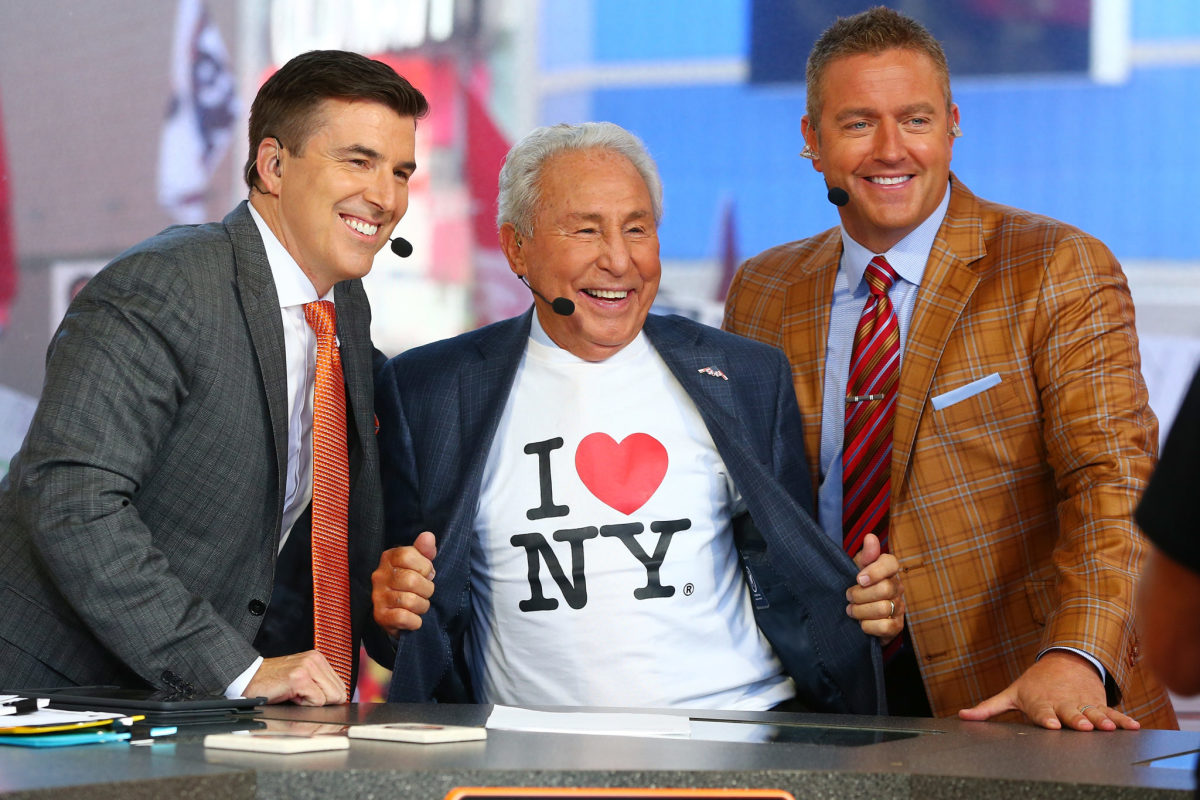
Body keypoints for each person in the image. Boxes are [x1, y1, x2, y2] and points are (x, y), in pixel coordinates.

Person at [723, 7, 1176, 729]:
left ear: (953, 125)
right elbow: (755, 511)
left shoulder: (1054, 265)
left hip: (1031, 699)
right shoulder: (763, 289)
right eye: (858, 123)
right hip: (826, 705)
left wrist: (1077, 653)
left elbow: (1115, 482)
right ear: (812, 139)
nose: (890, 149)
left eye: (916, 119)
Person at [371, 122, 900, 714]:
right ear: (517, 247)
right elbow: (399, 618)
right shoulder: (429, 390)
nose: (619, 260)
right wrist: (391, 611)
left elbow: (796, 574)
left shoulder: (746, 374)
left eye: (637, 229)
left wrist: (860, 598)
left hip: (743, 731)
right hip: (527, 750)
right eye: (586, 230)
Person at [0, 50, 428, 706]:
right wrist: (236, 671)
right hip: (51, 696)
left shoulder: (344, 304)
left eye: (400, 172)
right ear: (273, 166)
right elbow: (71, 499)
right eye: (358, 161)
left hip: (185, 711)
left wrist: (384, 603)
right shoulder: (165, 284)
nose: (387, 198)